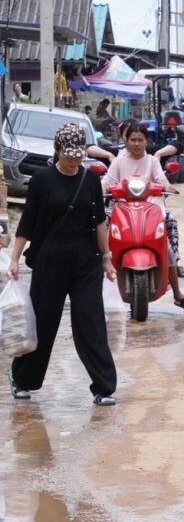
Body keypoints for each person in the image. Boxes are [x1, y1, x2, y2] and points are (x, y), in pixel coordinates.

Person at [7, 123, 120, 406]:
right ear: (57, 151)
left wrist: (107, 257)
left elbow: (99, 222)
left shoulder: (91, 180)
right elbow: (28, 222)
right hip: (50, 260)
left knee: (90, 323)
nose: (73, 160)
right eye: (68, 155)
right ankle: (23, 380)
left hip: (86, 261)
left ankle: (104, 387)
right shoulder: (42, 180)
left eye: (78, 155)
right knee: (44, 323)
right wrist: (14, 259)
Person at [101, 122, 184, 310]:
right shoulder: (119, 161)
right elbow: (107, 182)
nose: (136, 144)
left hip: (151, 209)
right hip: (121, 209)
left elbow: (161, 179)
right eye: (133, 140)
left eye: (140, 140)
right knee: (100, 227)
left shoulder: (152, 160)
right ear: (125, 141)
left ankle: (177, 292)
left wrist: (167, 187)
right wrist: (100, 189)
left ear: (147, 141)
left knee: (168, 239)